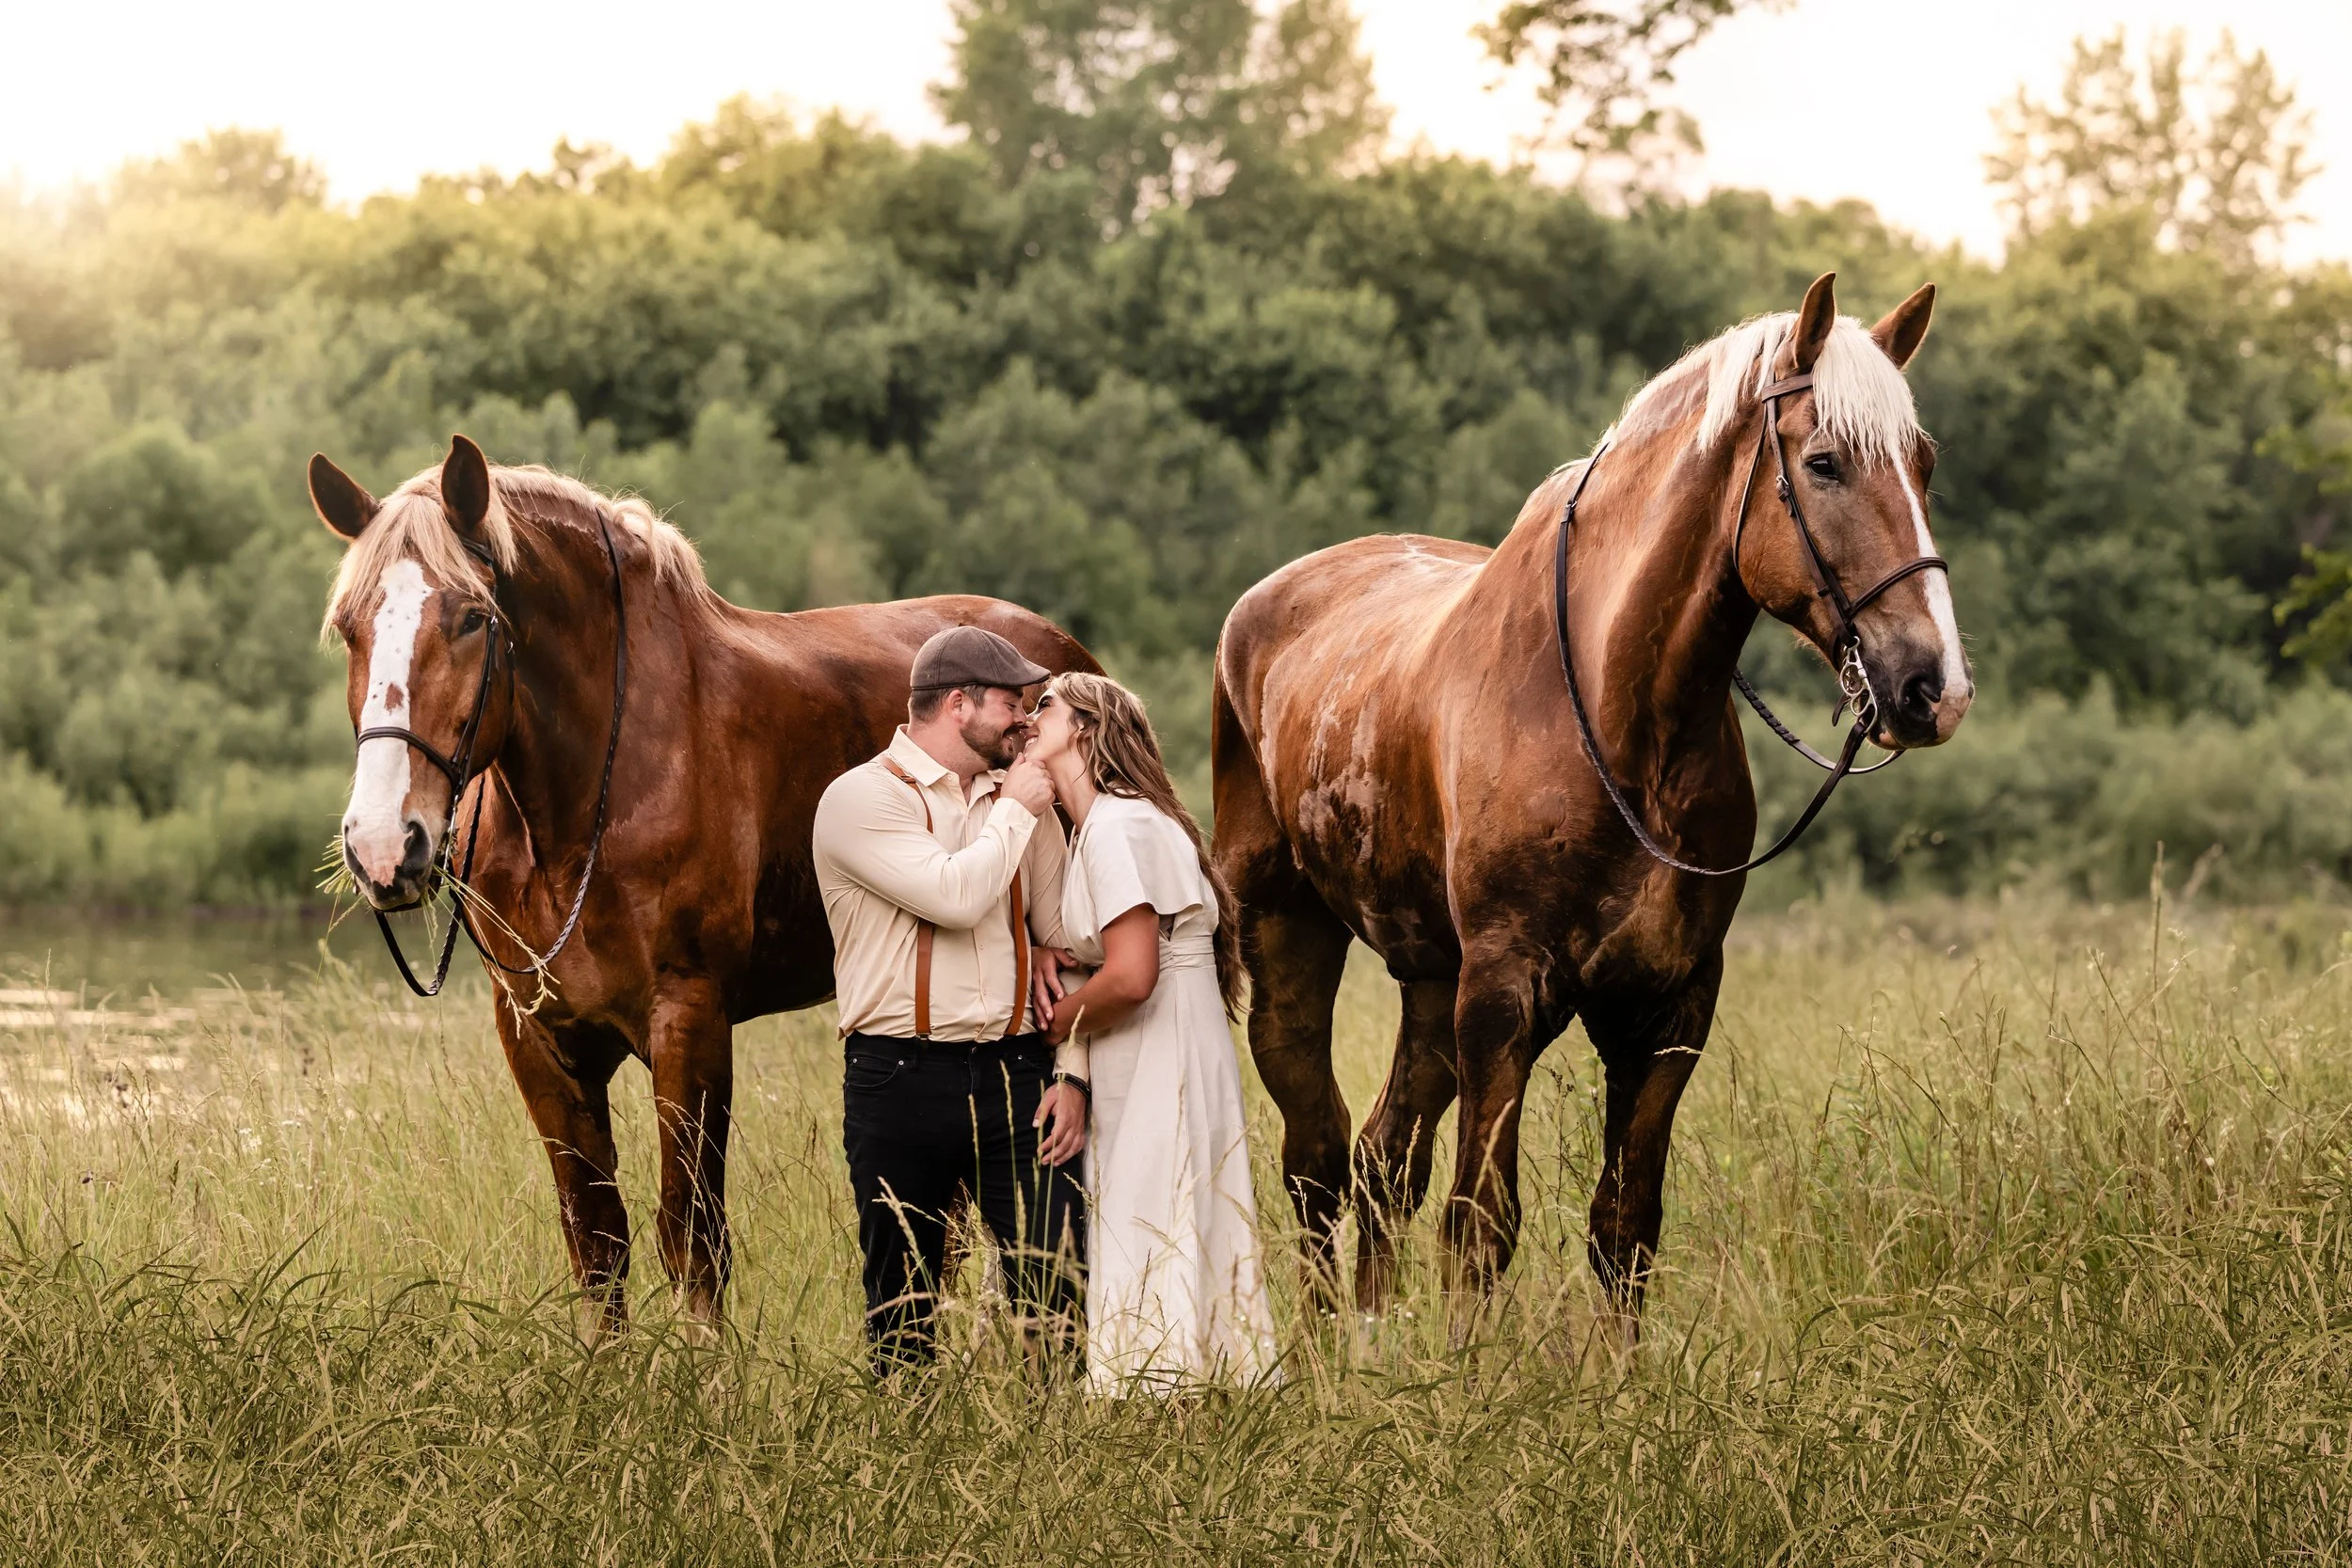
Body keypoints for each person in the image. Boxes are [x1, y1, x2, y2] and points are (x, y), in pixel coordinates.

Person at [812, 626, 1091, 1375]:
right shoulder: (861, 798)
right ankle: (908, 1467)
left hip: (1015, 1073)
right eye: (1012, 702)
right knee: (903, 1309)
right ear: (959, 703)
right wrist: (1021, 810)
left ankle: (1059, 1463)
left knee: (1057, 1291)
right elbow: (955, 896)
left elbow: (1065, 926)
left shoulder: (1015, 799)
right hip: (898, 1076)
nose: (1025, 721)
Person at [1025, 672, 1280, 1392]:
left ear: (1084, 727)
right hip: (1158, 1042)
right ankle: (1183, 1387)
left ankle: (1158, 1395)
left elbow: (1134, 974)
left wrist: (1055, 1024)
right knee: (1165, 1211)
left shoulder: (1118, 825)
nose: (1030, 717)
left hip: (1159, 1041)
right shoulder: (1105, 827)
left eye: (1044, 706)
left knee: (1152, 1209)